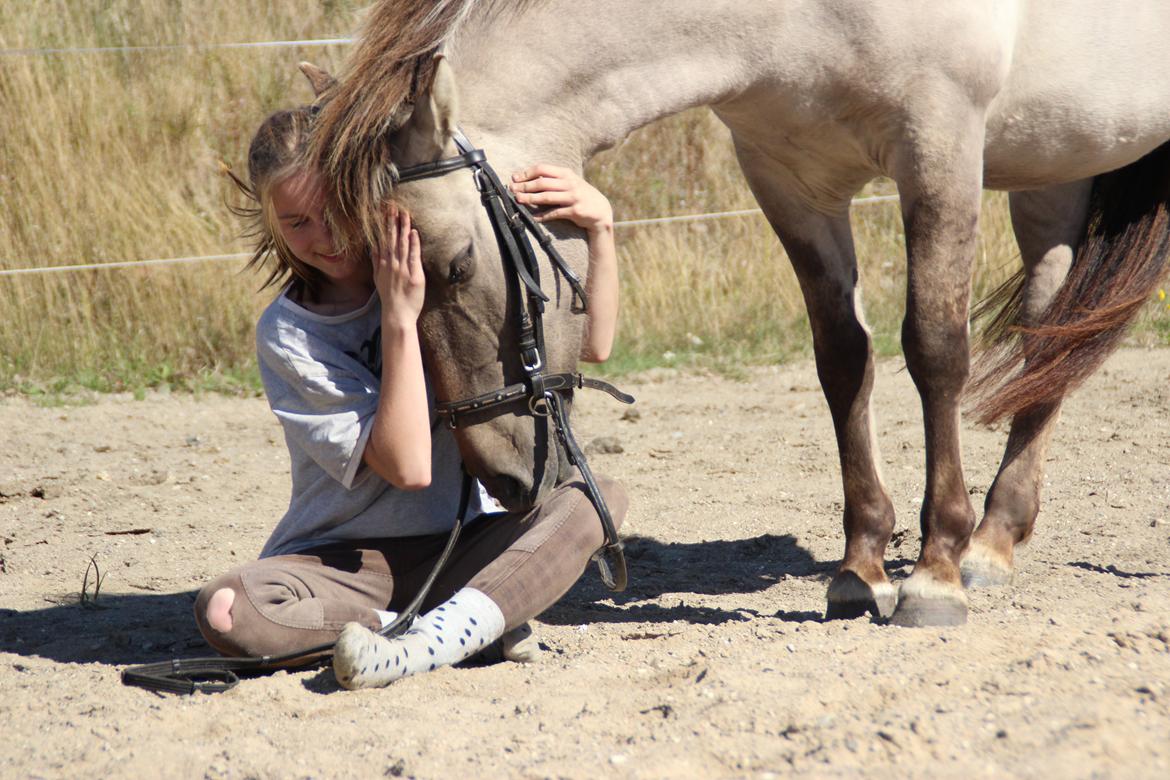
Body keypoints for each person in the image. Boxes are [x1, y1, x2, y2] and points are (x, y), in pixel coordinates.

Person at [194, 105, 627, 689]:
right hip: (340, 561)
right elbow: (409, 467)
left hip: (463, 543)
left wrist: (600, 226)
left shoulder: (444, 269)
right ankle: (467, 619)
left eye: (334, 211)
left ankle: (423, 643)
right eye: (297, 222)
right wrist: (400, 321)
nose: (323, 238)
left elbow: (594, 344)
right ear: (271, 223)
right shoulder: (291, 333)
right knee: (225, 610)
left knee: (594, 501)